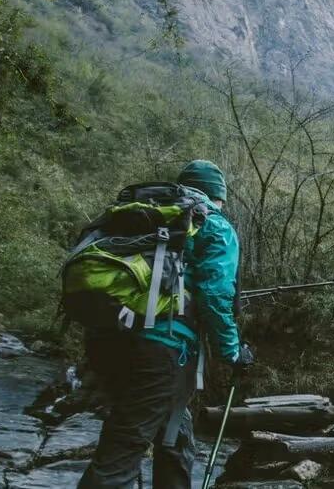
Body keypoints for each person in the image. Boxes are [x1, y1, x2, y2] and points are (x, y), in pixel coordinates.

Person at [78, 160, 253, 489]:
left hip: (107, 341)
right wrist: (232, 352)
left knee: (176, 437)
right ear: (217, 196)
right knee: (124, 449)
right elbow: (214, 295)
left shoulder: (144, 215)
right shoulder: (212, 223)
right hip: (162, 349)